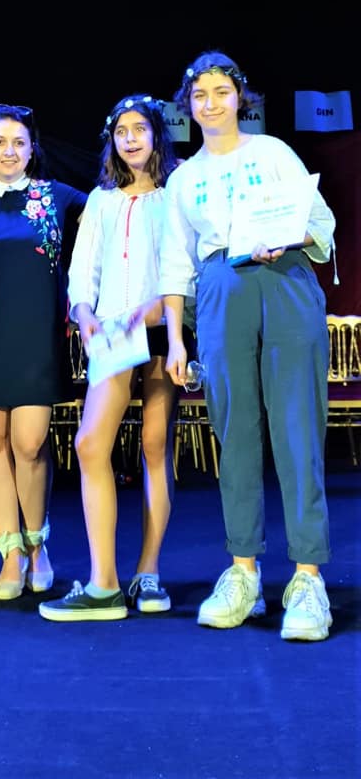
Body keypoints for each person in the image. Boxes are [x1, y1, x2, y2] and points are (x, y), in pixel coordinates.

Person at [159, 49, 336, 641]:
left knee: (297, 428)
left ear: (241, 98)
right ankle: (243, 572)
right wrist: (176, 340)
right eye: (200, 95)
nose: (211, 104)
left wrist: (287, 236)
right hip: (220, 290)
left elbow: (321, 223)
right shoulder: (183, 179)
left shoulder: (274, 153)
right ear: (188, 107)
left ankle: (307, 578)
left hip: (285, 280)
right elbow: (175, 264)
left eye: (221, 92)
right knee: (233, 431)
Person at [39, 95, 193, 621]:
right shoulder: (102, 201)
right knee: (90, 444)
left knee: (154, 445)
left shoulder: (175, 194)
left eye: (139, 129)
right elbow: (83, 268)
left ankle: (147, 572)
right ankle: (103, 582)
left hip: (161, 329)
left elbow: (185, 264)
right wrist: (83, 310)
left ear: (156, 135)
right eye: (121, 131)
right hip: (112, 335)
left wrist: (156, 310)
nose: (130, 139)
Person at [0, 103, 87, 600]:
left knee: (29, 444)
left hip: (36, 337)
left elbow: (113, 212)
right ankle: (9, 550)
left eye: (18, 143)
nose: (9, 151)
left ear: (32, 149)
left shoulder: (57, 196)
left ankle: (36, 542)